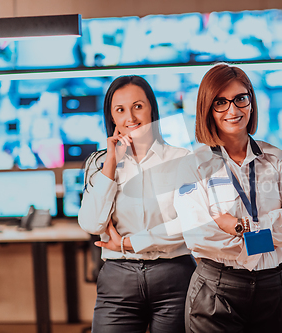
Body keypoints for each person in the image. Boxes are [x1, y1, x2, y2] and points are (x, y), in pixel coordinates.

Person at [174, 63, 282, 333]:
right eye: (220, 103)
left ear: (251, 100)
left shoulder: (278, 159)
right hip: (217, 290)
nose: (233, 111)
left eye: (240, 99)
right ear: (207, 109)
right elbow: (200, 236)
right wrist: (272, 226)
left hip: (272, 288)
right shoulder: (192, 166)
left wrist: (238, 226)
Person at [78, 75, 196, 333]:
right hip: (118, 279)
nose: (130, 117)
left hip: (174, 277)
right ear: (111, 117)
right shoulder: (98, 164)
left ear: (152, 108)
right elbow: (91, 223)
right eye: (120, 109)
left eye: (138, 106)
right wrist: (111, 162)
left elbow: (189, 224)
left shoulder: (182, 159)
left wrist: (129, 242)